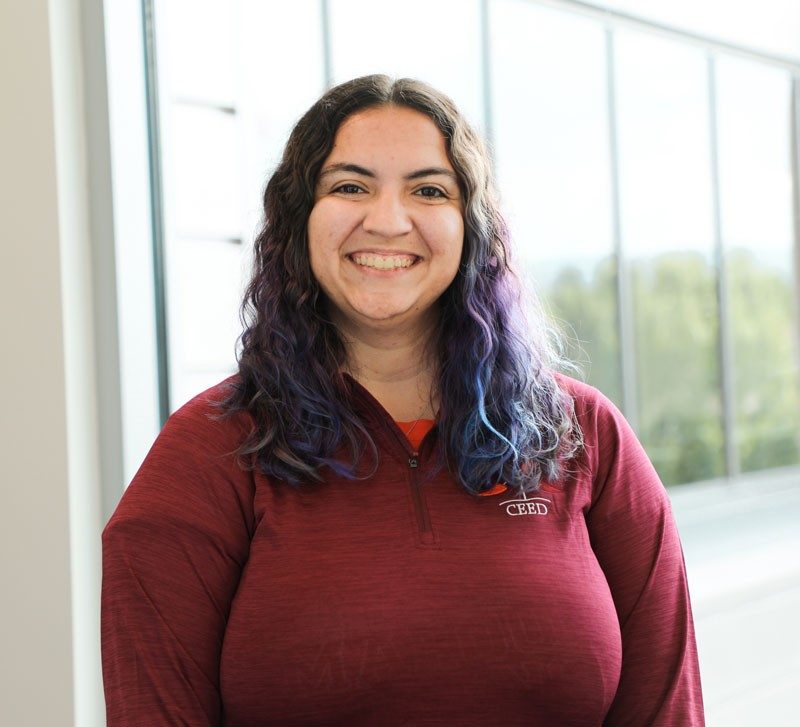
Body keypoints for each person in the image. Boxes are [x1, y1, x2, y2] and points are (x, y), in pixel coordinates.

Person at [101, 74, 704, 726]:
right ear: (298, 219)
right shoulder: (209, 451)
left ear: (472, 227)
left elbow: (668, 712)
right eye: (350, 186)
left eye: (428, 190)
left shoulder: (584, 434)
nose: (388, 221)